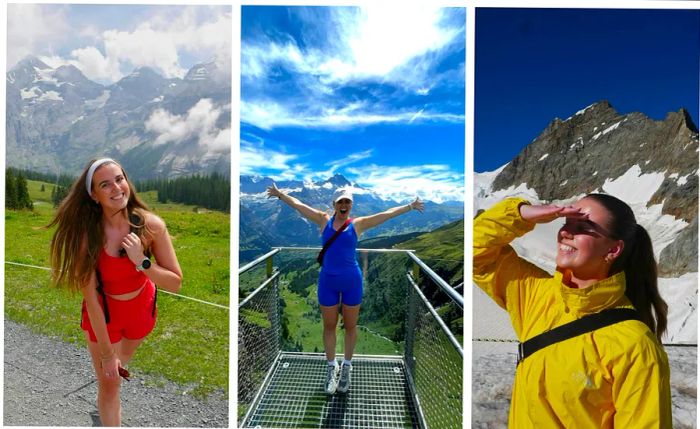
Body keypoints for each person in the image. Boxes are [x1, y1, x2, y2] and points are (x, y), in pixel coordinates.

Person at [473, 194, 671, 427]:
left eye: (583, 227)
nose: (566, 232)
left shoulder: (635, 345)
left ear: (613, 249)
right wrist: (521, 214)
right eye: (566, 222)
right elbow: (476, 252)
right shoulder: (538, 296)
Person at [48, 158, 182, 426]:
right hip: (104, 314)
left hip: (141, 313)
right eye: (105, 184)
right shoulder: (87, 235)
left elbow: (175, 283)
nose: (116, 188)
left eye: (119, 179)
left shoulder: (151, 225)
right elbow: (91, 298)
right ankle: (108, 406)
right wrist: (108, 355)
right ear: (94, 195)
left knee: (117, 368)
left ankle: (107, 393)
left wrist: (142, 262)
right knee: (109, 382)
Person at [267, 183, 424, 394]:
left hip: (352, 281)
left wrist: (410, 206)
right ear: (334, 204)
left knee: (351, 326)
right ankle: (332, 368)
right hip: (328, 282)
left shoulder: (357, 224)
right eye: (340, 201)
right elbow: (299, 205)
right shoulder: (323, 220)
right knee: (329, 326)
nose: (344, 205)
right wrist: (280, 195)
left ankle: (347, 368)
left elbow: (386, 215)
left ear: (351, 204)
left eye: (347, 201)